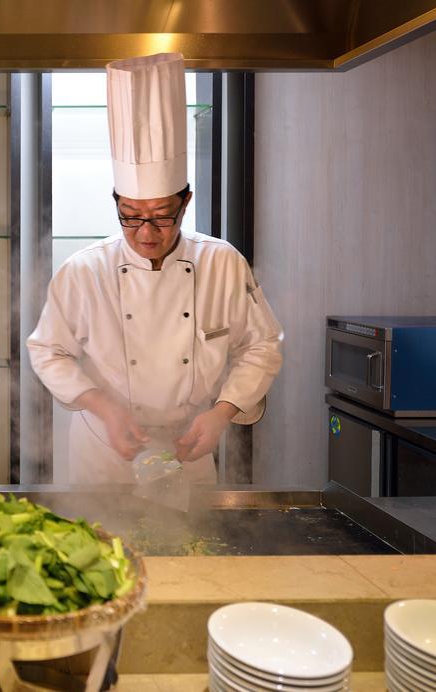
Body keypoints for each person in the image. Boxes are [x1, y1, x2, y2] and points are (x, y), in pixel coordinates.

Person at [27, 53, 283, 484]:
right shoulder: (85, 271)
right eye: (130, 215)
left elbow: (262, 347)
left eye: (162, 216)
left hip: (190, 446)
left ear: (186, 202)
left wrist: (221, 414)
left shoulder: (222, 263)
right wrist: (102, 406)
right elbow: (47, 351)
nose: (145, 233)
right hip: (104, 452)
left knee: (192, 546)